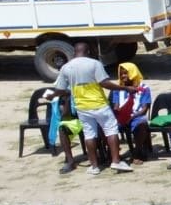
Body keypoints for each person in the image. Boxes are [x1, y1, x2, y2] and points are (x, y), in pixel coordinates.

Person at [49, 42, 130, 175]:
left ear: (74, 52)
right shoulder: (94, 64)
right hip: (99, 104)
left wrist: (52, 95)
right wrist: (125, 88)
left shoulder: (66, 67)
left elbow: (60, 90)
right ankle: (115, 161)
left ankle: (94, 166)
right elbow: (104, 83)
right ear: (87, 51)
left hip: (82, 107)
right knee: (111, 130)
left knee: (89, 134)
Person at [109, 62, 154, 163]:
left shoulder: (144, 88)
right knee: (106, 127)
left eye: (125, 73)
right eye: (121, 74)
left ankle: (136, 152)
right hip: (121, 117)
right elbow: (116, 106)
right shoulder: (118, 89)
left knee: (141, 124)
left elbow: (144, 109)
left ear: (133, 73)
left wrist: (132, 116)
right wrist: (118, 112)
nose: (123, 76)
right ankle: (114, 154)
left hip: (137, 115)